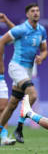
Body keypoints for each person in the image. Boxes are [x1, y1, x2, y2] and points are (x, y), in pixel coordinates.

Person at [0, 3, 48, 143]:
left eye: (38, 10)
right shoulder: (21, 29)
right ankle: (19, 127)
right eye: (32, 11)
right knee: (32, 95)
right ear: (27, 14)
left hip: (27, 70)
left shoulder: (41, 31)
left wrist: (41, 57)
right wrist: (1, 64)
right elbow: (2, 41)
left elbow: (44, 49)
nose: (36, 13)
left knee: (12, 105)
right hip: (16, 67)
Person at [0, 13, 17, 145]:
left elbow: (17, 34)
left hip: (0, 79)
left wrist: (6, 19)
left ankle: (4, 137)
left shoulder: (1, 39)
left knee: (3, 107)